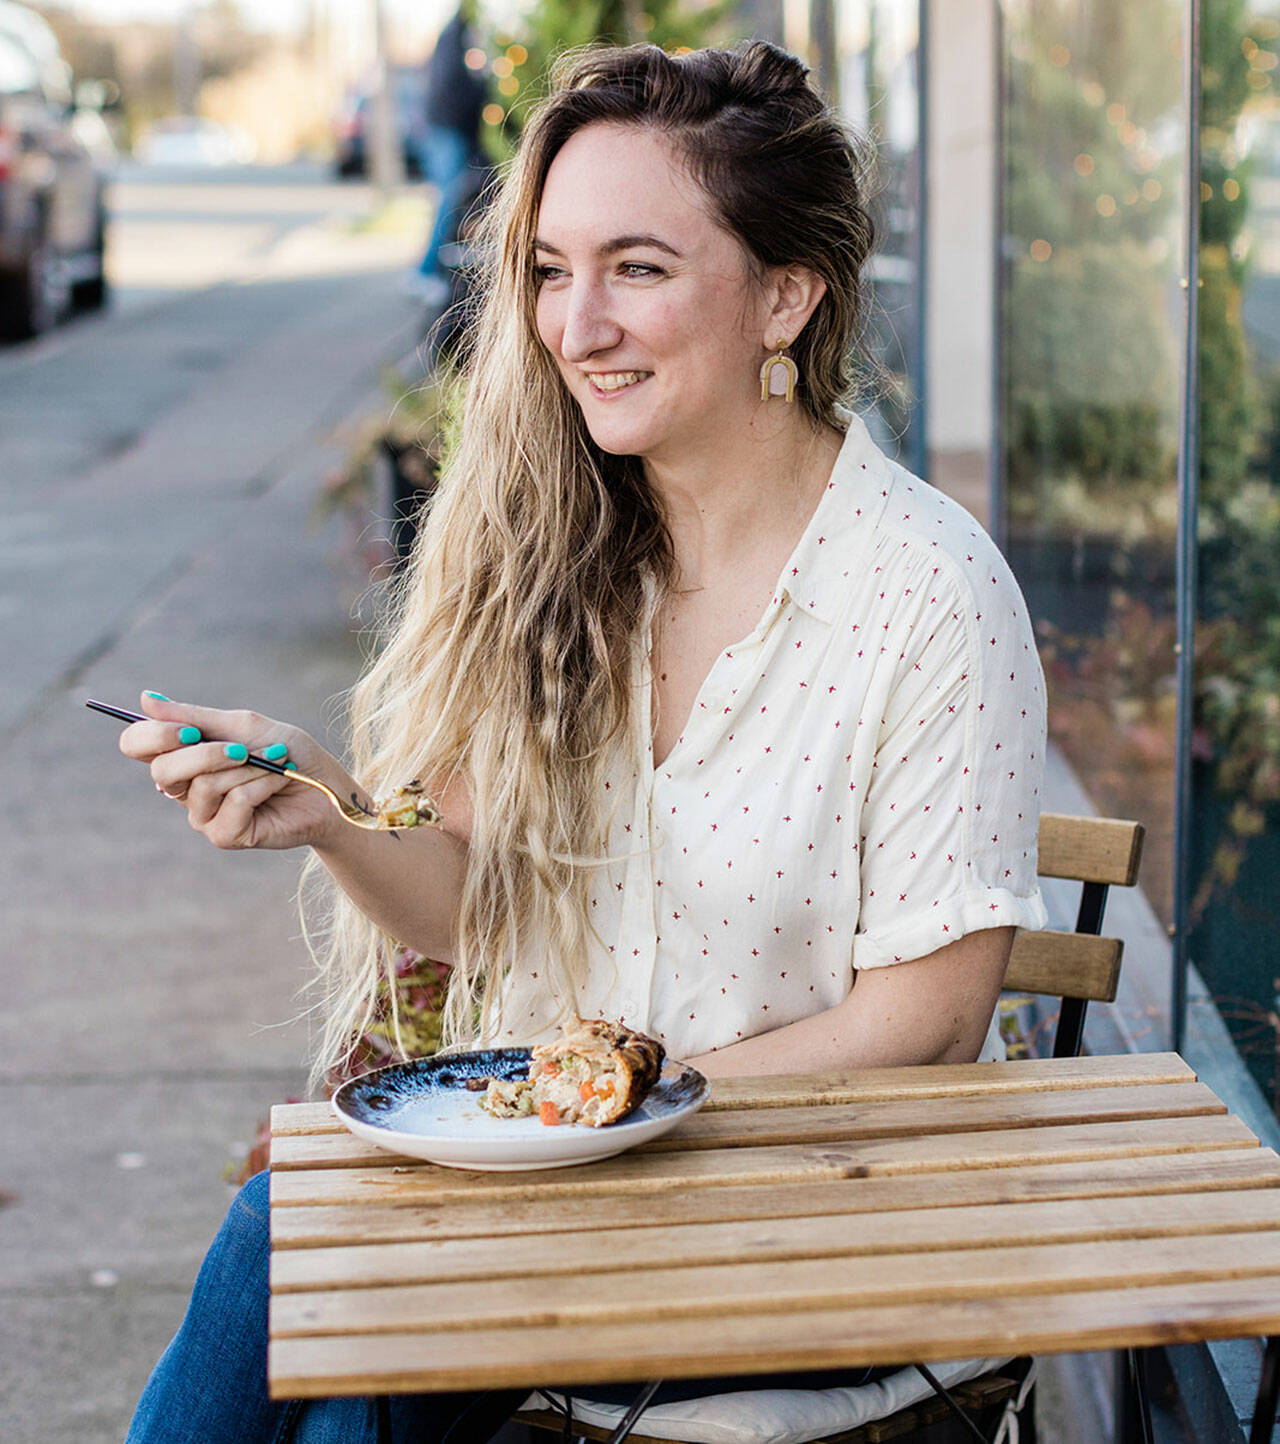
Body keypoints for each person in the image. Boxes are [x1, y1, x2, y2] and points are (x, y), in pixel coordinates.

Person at [120, 39, 1047, 1444]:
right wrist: (324, 805)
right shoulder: (565, 558)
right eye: (552, 270)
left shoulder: (926, 589)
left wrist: (597, 1109)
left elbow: (925, 1021)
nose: (575, 323)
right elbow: (482, 898)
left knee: (297, 1257)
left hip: (799, 1224)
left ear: (786, 298)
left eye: (639, 268)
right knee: (302, 1269)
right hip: (557, 1206)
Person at [406, 1, 488, 308]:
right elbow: (458, 86)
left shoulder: (454, 31)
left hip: (442, 125)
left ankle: (429, 271)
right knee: (450, 198)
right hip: (446, 127)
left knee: (449, 198)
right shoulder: (462, 33)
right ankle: (426, 272)